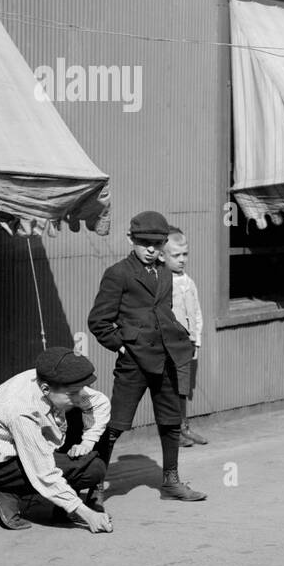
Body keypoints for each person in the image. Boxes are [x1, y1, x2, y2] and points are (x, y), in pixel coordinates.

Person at [87, 210, 206, 503]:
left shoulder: (166, 272)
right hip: (134, 362)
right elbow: (98, 321)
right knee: (115, 424)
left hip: (167, 358)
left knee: (171, 421)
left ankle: (171, 482)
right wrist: (122, 346)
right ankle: (95, 488)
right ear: (130, 239)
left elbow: (162, 313)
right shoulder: (118, 273)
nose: (151, 249)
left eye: (157, 243)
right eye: (144, 243)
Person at [0, 347, 113, 533]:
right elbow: (43, 473)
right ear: (45, 389)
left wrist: (87, 442)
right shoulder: (21, 411)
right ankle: (4, 490)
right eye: (72, 393)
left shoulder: (56, 384)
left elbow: (100, 403)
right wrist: (87, 514)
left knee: (89, 425)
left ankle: (62, 505)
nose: (79, 397)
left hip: (28, 444)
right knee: (93, 469)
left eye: (80, 390)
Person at [164, 227, 207, 448]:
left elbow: (196, 312)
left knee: (181, 388)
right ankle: (173, 432)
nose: (182, 260)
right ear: (163, 255)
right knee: (168, 390)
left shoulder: (188, 282)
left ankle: (184, 427)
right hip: (169, 346)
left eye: (185, 254)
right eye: (176, 255)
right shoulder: (162, 283)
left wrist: (196, 339)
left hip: (186, 345)